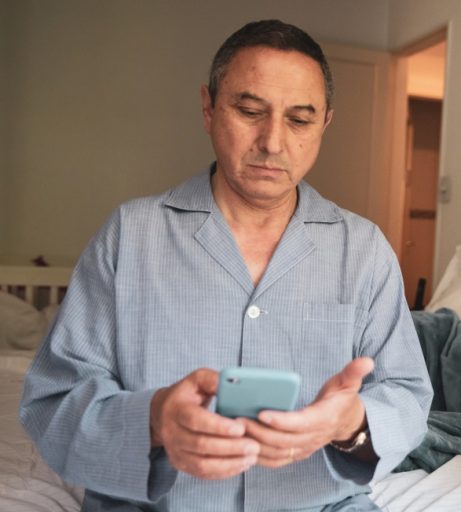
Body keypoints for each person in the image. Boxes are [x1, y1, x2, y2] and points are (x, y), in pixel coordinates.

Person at [19, 19, 432, 512]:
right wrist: (152, 420)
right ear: (209, 108)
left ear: (324, 124)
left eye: (299, 120)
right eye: (250, 110)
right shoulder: (130, 236)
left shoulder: (363, 250)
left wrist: (351, 423)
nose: (273, 141)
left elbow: (406, 395)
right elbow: (52, 402)